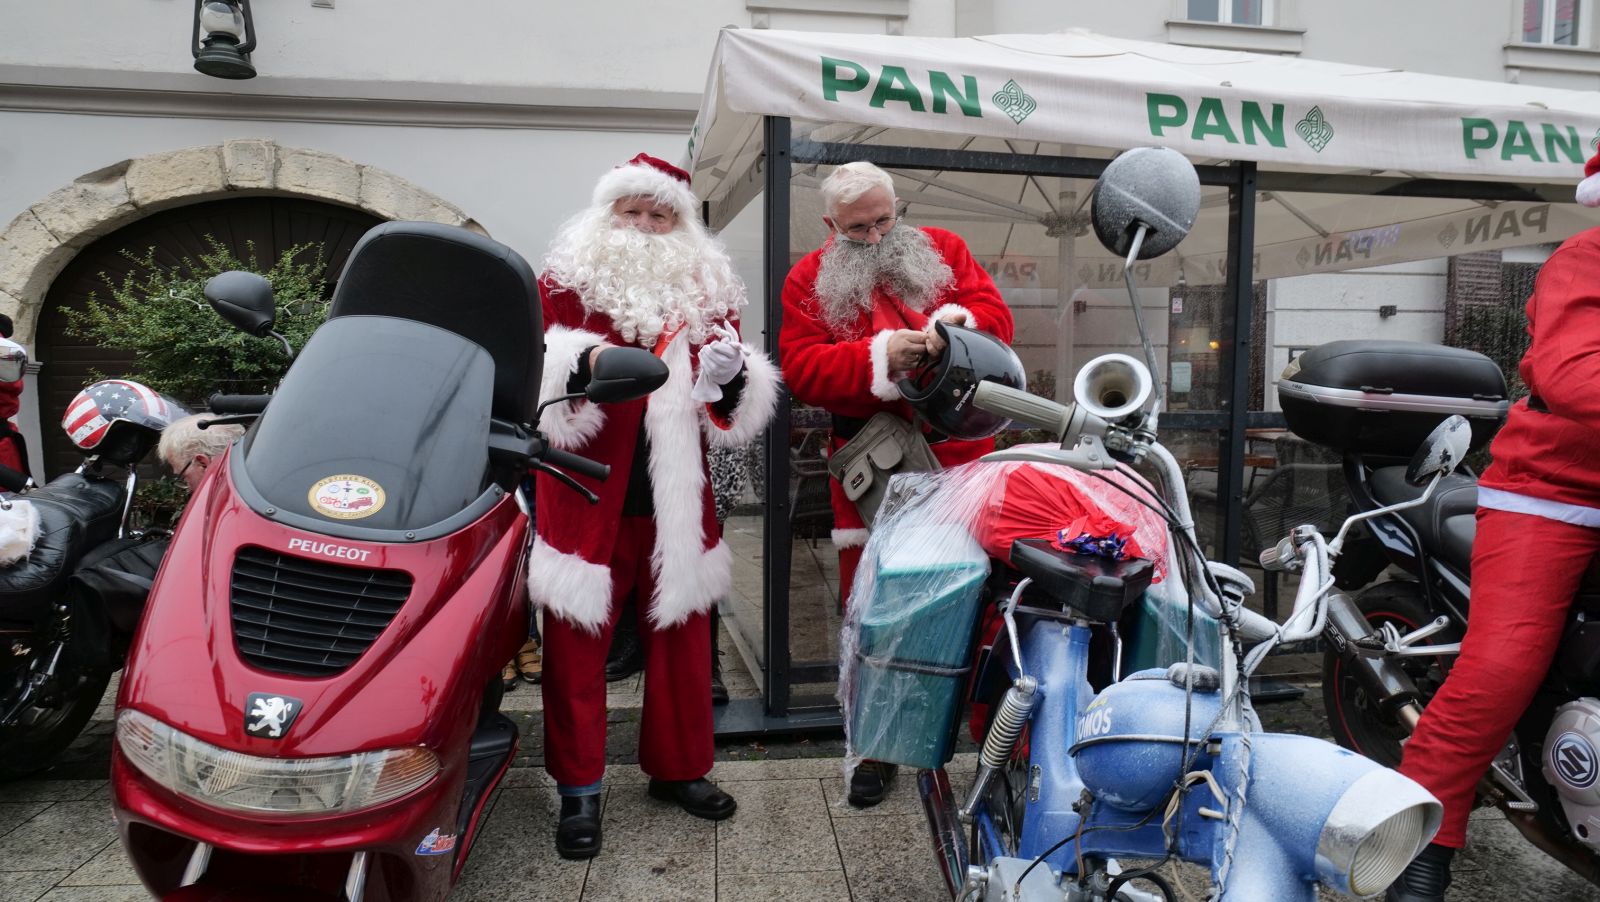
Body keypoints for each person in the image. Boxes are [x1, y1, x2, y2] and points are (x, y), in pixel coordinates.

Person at [527, 153, 780, 860]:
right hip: (585, 486)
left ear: (681, 224)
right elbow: (534, 366)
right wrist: (580, 363)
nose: (643, 225)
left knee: (682, 641)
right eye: (632, 212)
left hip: (674, 492)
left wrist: (731, 381)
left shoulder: (706, 286)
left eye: (659, 214)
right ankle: (579, 790)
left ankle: (680, 770)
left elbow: (729, 408)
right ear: (607, 216)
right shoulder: (564, 280)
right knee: (576, 645)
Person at [1386, 155, 1600, 901]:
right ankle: (1419, 839)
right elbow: (1573, 374)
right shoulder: (1584, 259)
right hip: (1553, 490)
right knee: (1502, 666)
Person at [778, 161, 1013, 807]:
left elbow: (996, 319)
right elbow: (801, 369)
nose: (877, 236)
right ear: (832, 225)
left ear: (897, 206)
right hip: (875, 465)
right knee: (877, 608)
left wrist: (951, 331)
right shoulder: (807, 278)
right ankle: (876, 749)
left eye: (885, 219)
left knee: (982, 598)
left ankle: (994, 739)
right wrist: (881, 356)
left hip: (961, 455)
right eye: (859, 228)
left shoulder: (948, 250)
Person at [157, 413, 244, 492]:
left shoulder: (225, 506)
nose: (188, 490)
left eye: (183, 478)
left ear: (203, 464)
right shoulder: (250, 490)